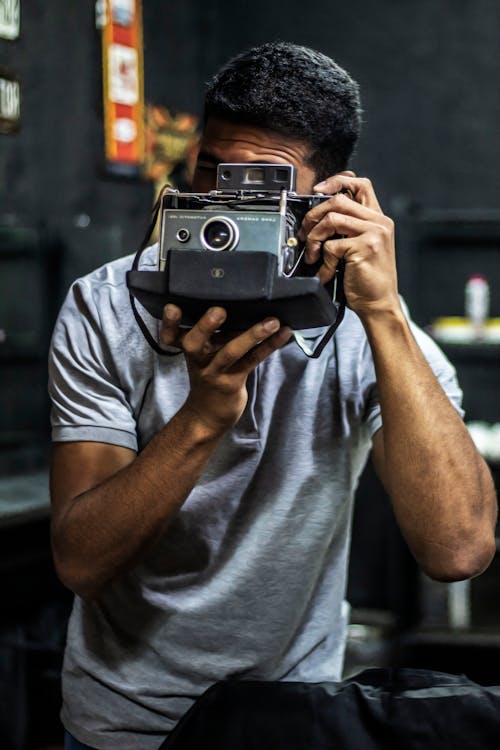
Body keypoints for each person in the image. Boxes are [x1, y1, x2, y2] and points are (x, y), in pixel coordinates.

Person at [48, 42, 497, 750]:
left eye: (256, 191)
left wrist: (381, 312)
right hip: (127, 724)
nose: (223, 209)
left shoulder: (364, 326)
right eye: (209, 176)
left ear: (330, 198)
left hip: (288, 716)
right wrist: (203, 418)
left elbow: (459, 547)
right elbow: (79, 562)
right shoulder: (106, 306)